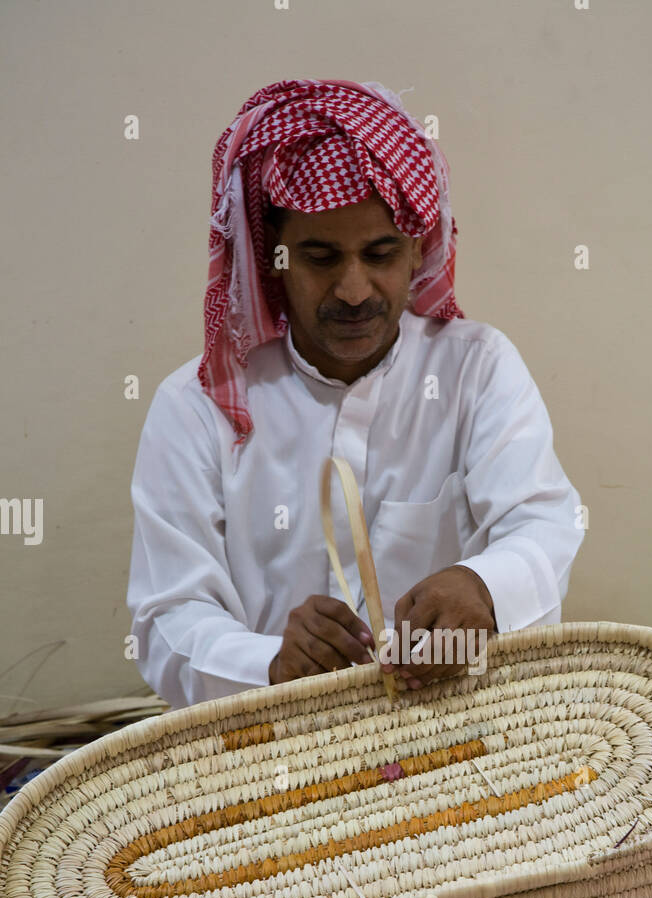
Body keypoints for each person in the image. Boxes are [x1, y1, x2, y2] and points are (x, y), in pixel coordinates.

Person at [126, 78, 585, 710]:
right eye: (319, 257)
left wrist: (481, 584)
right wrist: (269, 662)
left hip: (455, 739)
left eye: (379, 253)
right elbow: (166, 618)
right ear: (273, 261)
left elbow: (544, 523)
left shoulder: (476, 369)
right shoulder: (196, 408)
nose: (352, 289)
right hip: (267, 755)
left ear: (417, 250)